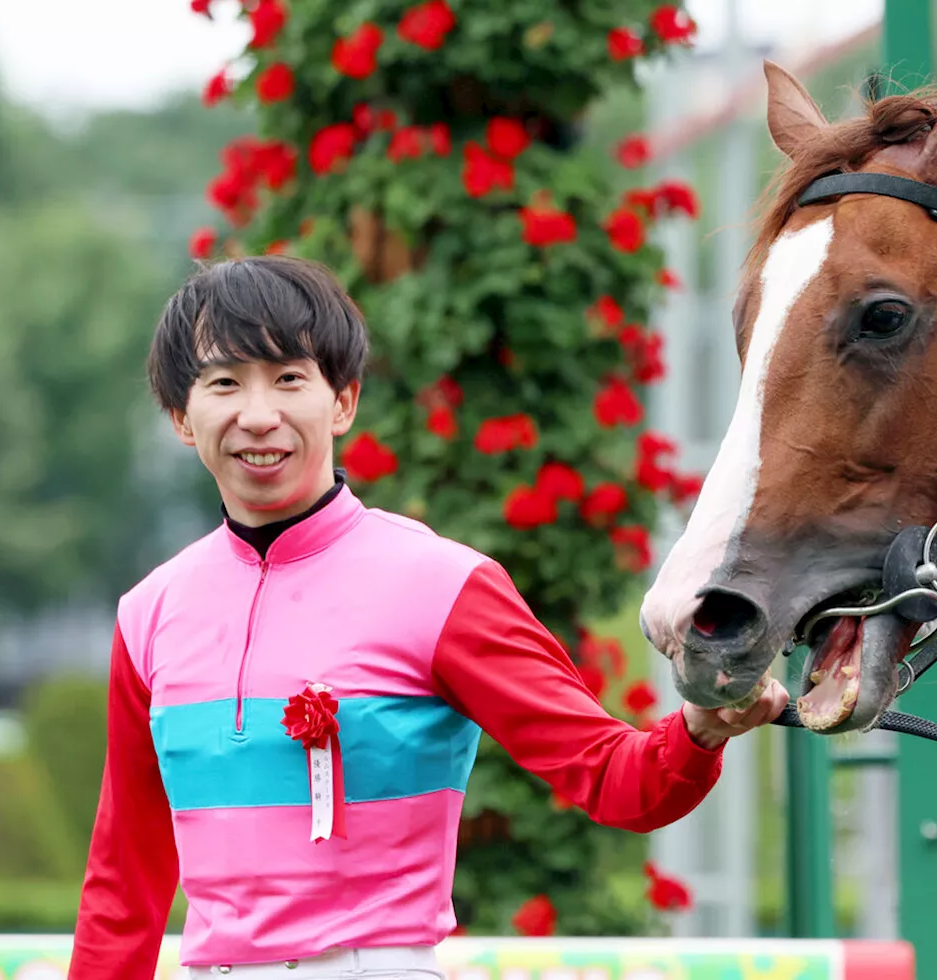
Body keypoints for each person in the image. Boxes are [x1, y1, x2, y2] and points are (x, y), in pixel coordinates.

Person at [68, 256, 789, 980]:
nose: (259, 415)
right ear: (181, 419)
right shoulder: (149, 613)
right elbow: (125, 879)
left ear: (343, 401)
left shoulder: (442, 584)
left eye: (290, 379)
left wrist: (698, 731)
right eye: (224, 384)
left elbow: (612, 778)